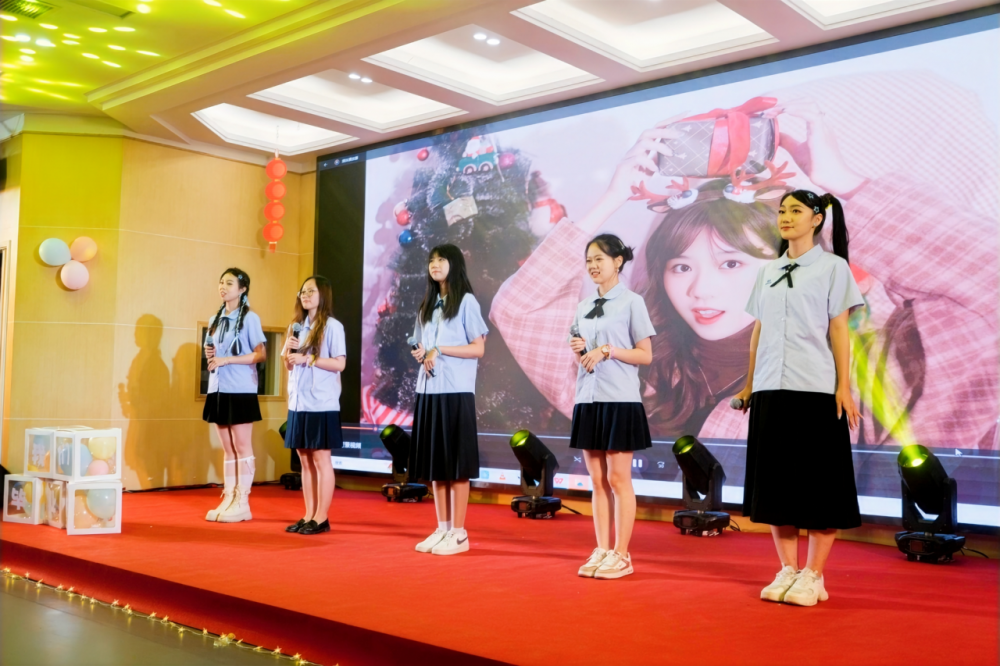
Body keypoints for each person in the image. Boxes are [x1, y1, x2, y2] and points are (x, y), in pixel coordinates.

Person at [732, 189, 863, 607]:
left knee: (819, 487)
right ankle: (788, 570)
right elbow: (758, 331)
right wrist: (750, 384)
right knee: (776, 487)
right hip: (770, 388)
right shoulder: (768, 271)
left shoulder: (832, 267)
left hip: (816, 389)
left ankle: (814, 575)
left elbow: (839, 330)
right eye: (782, 211)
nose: (786, 217)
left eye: (796, 211)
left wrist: (843, 386)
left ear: (817, 219)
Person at [570, 233, 655, 580]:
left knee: (618, 479)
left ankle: (622, 554)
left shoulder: (632, 302)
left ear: (618, 262)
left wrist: (608, 350)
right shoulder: (583, 306)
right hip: (587, 397)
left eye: (599, 259)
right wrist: (579, 349)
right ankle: (602, 549)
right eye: (589, 260)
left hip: (619, 398)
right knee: (597, 480)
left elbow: (645, 355)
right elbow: (583, 355)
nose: (593, 266)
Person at [409, 244, 489, 556]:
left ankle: (459, 532)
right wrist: (422, 352)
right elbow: (422, 343)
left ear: (454, 265)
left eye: (441, 259)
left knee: (456, 465)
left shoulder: (466, 301)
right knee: (436, 466)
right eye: (432, 260)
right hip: (428, 390)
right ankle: (442, 528)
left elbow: (478, 348)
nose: (435, 264)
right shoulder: (427, 305)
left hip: (456, 392)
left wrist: (440, 350)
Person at [282, 276, 347, 536]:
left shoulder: (332, 326)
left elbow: (340, 363)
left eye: (311, 291)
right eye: (303, 291)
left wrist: (308, 359)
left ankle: (322, 517)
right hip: (298, 403)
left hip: (322, 402)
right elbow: (289, 364)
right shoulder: (295, 326)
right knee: (304, 460)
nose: (305, 295)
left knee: (321, 459)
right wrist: (289, 355)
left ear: (323, 295)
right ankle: (308, 514)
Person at [203, 268, 267, 523]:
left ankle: (243, 501)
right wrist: (212, 356)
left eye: (229, 283)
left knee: (242, 446)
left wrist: (227, 360)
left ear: (242, 289)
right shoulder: (215, 319)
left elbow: (260, 354)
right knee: (228, 449)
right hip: (218, 388)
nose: (223, 286)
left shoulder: (250, 318)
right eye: (221, 282)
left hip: (241, 389)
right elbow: (214, 352)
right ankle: (229, 497)